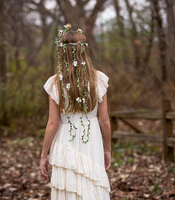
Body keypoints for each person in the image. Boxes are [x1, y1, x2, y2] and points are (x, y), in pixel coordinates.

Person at [39, 24, 111, 200]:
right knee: (91, 185)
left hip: (65, 140)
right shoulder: (98, 79)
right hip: (92, 140)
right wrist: (107, 148)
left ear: (61, 54)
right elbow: (104, 121)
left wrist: (43, 155)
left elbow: (53, 123)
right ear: (84, 52)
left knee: (69, 190)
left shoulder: (56, 82)